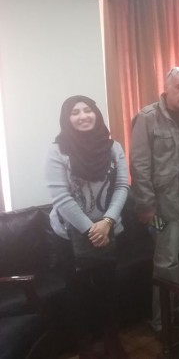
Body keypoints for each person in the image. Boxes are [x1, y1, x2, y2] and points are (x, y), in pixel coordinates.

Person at [45, 95, 128, 359]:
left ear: (96, 114)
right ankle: (85, 346)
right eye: (75, 112)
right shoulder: (58, 151)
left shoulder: (113, 148)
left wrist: (107, 221)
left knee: (108, 289)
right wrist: (91, 229)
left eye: (88, 110)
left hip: (108, 228)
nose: (83, 116)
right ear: (66, 118)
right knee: (77, 293)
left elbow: (122, 186)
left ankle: (111, 339)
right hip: (69, 236)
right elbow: (61, 197)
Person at [129, 66, 179, 334]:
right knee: (166, 263)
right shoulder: (148, 117)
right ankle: (162, 322)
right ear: (166, 87)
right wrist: (146, 205)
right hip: (164, 205)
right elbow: (139, 165)